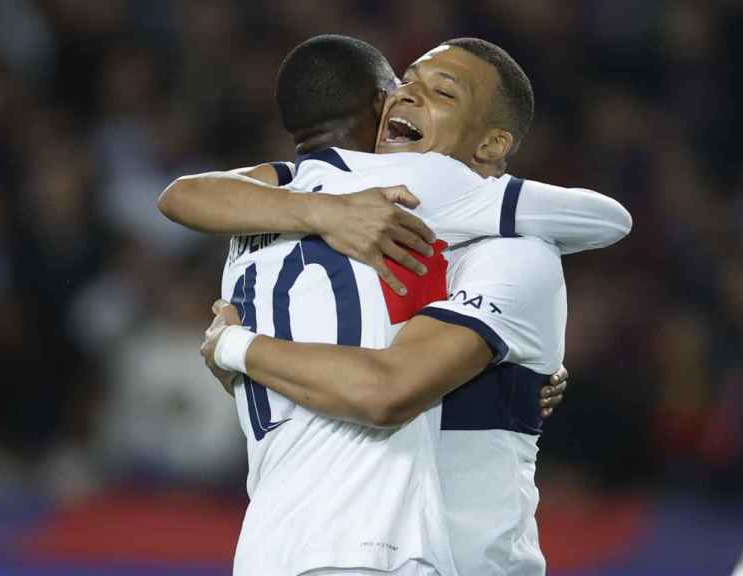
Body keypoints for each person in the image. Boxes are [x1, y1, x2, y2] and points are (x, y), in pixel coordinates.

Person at [165, 35, 630, 575]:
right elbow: (372, 381)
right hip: (375, 546)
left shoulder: (515, 253)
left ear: (490, 145)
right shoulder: (355, 216)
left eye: (442, 93)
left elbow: (385, 384)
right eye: (404, 82)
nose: (407, 96)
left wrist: (233, 348)